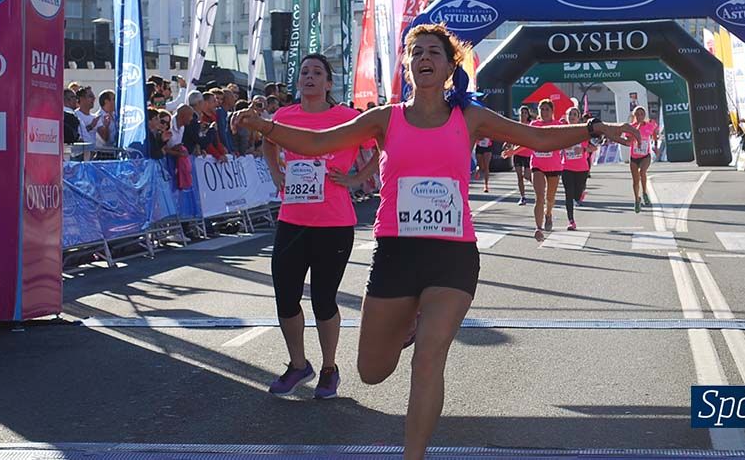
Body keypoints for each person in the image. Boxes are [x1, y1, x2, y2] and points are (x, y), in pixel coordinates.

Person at [232, 23, 638, 459]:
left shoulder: (470, 117)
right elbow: (318, 142)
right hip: (396, 254)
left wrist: (595, 128)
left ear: (449, 67)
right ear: (408, 66)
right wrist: (266, 127)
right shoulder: (384, 118)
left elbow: (537, 138)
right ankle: (407, 323)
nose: (424, 58)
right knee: (371, 370)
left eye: (433, 53)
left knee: (428, 360)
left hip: (452, 256)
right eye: (416, 52)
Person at [261, 53, 379, 399]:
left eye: (317, 73)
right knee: (285, 297)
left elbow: (380, 147)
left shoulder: (347, 118)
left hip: (334, 222)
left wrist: (358, 177)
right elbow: (268, 142)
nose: (309, 77)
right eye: (304, 72)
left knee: (324, 300)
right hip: (292, 220)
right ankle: (298, 365)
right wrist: (276, 172)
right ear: (298, 81)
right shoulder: (284, 116)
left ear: (329, 83)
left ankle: (329, 368)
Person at [529, 99, 563, 240]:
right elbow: (527, 141)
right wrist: (513, 151)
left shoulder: (558, 125)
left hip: (554, 165)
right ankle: (538, 227)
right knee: (539, 197)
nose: (544, 112)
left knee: (550, 198)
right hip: (537, 164)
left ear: (552, 111)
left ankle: (548, 214)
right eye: (541, 109)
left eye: (547, 109)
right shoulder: (534, 125)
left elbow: (566, 140)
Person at [560, 106, 598, 231]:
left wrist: (583, 149)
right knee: (568, 195)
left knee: (577, 195)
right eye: (570, 114)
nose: (572, 117)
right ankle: (571, 221)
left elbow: (594, 148)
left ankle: (581, 194)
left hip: (582, 168)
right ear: (566, 116)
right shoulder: (562, 131)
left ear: (578, 117)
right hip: (566, 167)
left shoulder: (583, 132)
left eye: (574, 114)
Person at [501, 105, 534, 205]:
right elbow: (512, 136)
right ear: (519, 114)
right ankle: (523, 197)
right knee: (519, 176)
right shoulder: (516, 125)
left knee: (527, 176)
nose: (523, 115)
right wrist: (507, 143)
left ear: (528, 114)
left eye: (525, 113)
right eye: (522, 113)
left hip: (528, 153)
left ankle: (539, 188)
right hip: (517, 153)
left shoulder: (530, 125)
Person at [629, 105, 659, 213]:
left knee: (642, 172)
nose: (640, 116)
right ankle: (637, 199)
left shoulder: (649, 125)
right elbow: (628, 140)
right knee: (635, 181)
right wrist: (636, 129)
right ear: (634, 115)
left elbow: (654, 134)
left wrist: (655, 146)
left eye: (642, 114)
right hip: (634, 157)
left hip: (645, 156)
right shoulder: (631, 127)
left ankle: (645, 193)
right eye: (637, 114)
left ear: (644, 115)